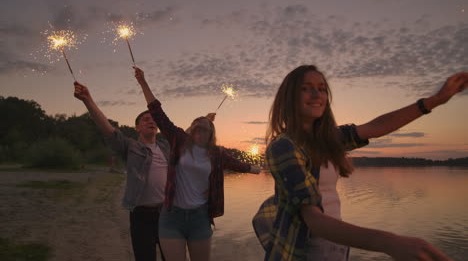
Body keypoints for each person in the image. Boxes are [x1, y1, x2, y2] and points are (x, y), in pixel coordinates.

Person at [252, 65, 467, 261]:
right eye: (306, 88)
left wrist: (436, 100)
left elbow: (377, 126)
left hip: (337, 243)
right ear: (290, 97)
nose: (317, 94)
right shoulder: (283, 146)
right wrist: (389, 242)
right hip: (303, 250)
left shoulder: (328, 139)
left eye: (322, 88)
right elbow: (313, 218)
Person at [133, 67, 262, 261]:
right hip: (171, 217)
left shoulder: (216, 153)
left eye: (206, 125)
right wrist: (143, 83)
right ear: (192, 128)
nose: (201, 126)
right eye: (197, 123)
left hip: (199, 218)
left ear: (211, 133)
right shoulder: (179, 139)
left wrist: (260, 169)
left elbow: (237, 164)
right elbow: (157, 111)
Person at [73, 82, 169, 261]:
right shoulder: (130, 146)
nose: (151, 121)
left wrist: (205, 123)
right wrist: (88, 100)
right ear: (137, 128)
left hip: (167, 214)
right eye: (145, 120)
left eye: (153, 119)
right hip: (141, 215)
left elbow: (184, 138)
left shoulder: (166, 147)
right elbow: (108, 130)